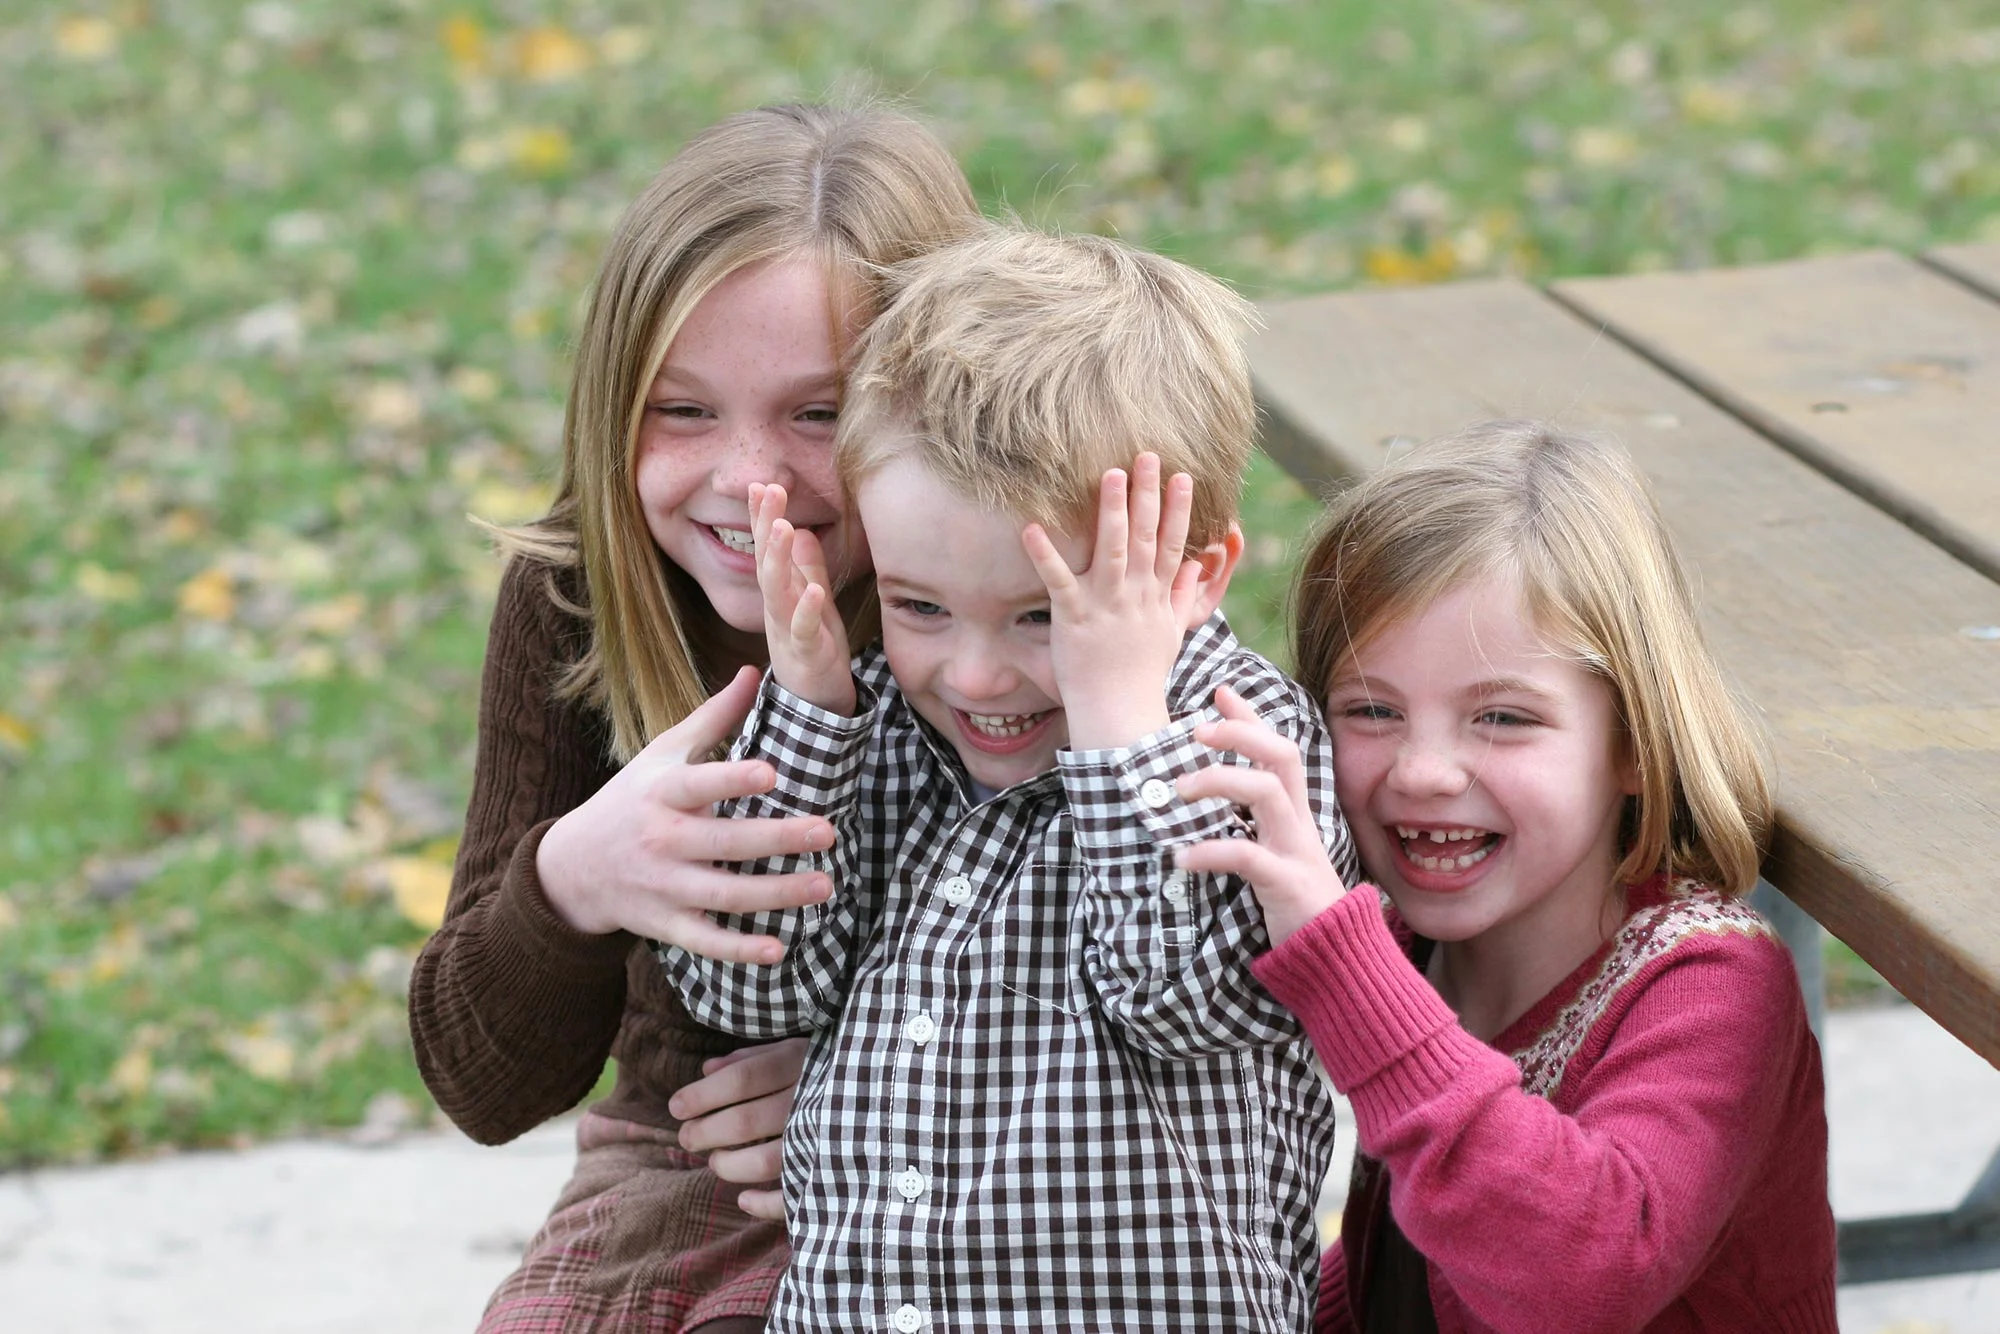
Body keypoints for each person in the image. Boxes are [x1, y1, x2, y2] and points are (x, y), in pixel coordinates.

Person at [660, 226, 1357, 1332]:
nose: (974, 671)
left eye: (1044, 615)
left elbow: (1189, 1002)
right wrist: (810, 718)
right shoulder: (877, 720)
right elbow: (746, 994)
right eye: (918, 603)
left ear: (1195, 575)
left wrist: (1121, 728)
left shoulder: (1241, 735)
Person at [406, 103, 982, 1333]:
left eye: (819, 414)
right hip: (687, 1152)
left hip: (1006, 1153)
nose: (748, 478)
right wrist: (570, 876)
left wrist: (869, 1093)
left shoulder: (1007, 617)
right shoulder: (579, 597)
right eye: (683, 411)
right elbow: (482, 1080)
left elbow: (1158, 962)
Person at [1174, 420, 1839, 1331]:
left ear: (1635, 743)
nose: (1424, 771)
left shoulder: (1713, 990)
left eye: (1502, 719)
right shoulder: (1413, 948)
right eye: (1372, 709)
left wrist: (1346, 971)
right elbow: (1405, 1267)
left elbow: (1582, 1281)